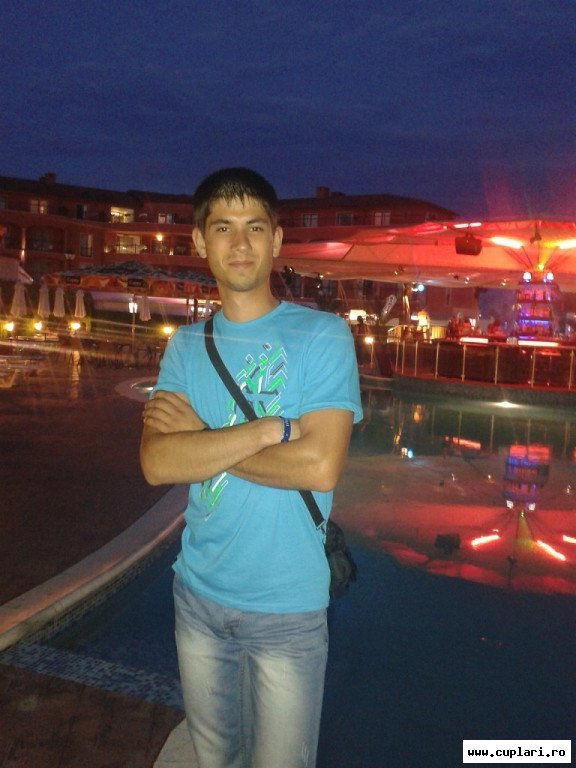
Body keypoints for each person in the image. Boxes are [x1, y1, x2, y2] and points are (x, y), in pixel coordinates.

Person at [140, 167, 363, 768]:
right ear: (199, 241)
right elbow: (157, 462)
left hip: (287, 607)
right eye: (223, 228)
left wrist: (203, 442)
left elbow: (319, 466)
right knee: (215, 758)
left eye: (254, 227)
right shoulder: (186, 345)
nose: (239, 244)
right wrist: (266, 431)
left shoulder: (322, 335)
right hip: (198, 595)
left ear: (277, 239)